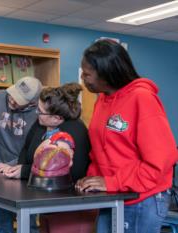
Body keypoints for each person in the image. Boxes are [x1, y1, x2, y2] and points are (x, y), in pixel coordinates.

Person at [76, 39, 178, 233]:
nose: (83, 78)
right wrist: (91, 178)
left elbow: (160, 161)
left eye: (87, 74)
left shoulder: (142, 98)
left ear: (107, 74)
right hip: (114, 194)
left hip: (141, 197)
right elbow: (100, 151)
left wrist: (112, 182)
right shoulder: (102, 100)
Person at [4, 83, 95, 233]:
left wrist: (25, 171)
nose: (36, 113)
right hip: (48, 202)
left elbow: (66, 171)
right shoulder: (42, 123)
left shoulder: (73, 131)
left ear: (56, 118)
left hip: (69, 207)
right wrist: (19, 169)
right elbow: (26, 150)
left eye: (40, 111)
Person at [0, 76, 42, 233]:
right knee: (3, 222)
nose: (11, 101)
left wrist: (14, 166)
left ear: (33, 103)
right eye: (12, 95)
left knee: (28, 223)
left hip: (23, 170)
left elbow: (35, 151)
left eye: (18, 100)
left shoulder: (40, 114)